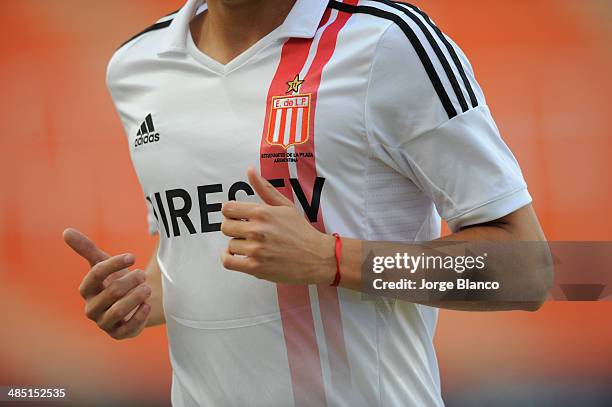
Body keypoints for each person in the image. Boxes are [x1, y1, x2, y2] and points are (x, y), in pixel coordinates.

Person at [64, 0, 550, 405]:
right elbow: (200, 247)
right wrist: (142, 299)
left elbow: (528, 272)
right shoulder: (137, 65)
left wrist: (332, 259)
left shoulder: (389, 42)